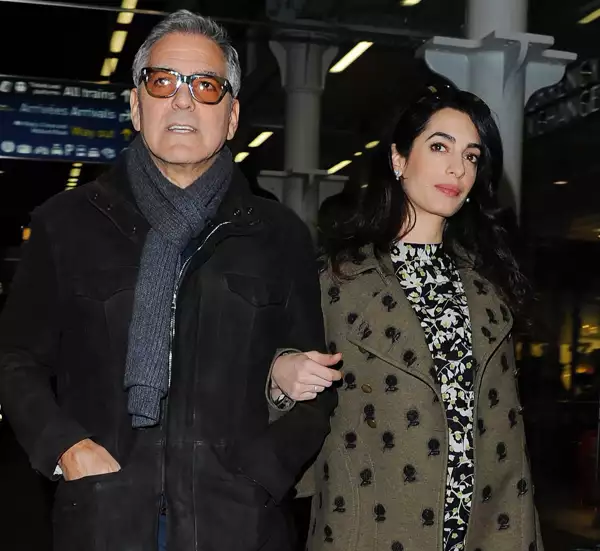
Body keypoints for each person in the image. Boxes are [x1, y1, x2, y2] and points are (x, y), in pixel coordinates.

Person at [0, 10, 340, 551]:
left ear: (231, 116)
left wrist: (260, 475)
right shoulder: (66, 225)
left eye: (205, 86)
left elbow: (315, 383)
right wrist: (67, 449)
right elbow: (16, 360)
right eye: (163, 82)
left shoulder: (279, 236)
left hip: (237, 525)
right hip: (105, 519)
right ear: (137, 105)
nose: (183, 100)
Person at [271, 84, 544, 551]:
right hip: (371, 529)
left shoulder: (489, 286)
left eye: (471, 156)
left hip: (482, 533)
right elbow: (260, 394)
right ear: (399, 159)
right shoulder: (337, 282)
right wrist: (279, 376)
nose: (457, 168)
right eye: (439, 147)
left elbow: (508, 446)